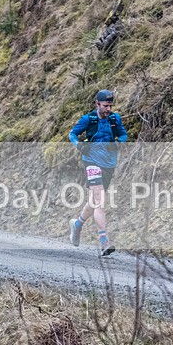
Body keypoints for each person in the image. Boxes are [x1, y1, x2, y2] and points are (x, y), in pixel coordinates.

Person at [68, 89, 128, 256]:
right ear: (97, 103)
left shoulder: (115, 119)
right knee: (100, 200)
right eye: (105, 106)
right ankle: (104, 241)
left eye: (110, 106)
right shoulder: (88, 119)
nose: (108, 109)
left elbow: (124, 135)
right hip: (91, 162)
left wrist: (117, 143)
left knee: (94, 201)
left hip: (109, 163)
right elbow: (72, 134)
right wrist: (79, 145)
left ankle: (77, 224)